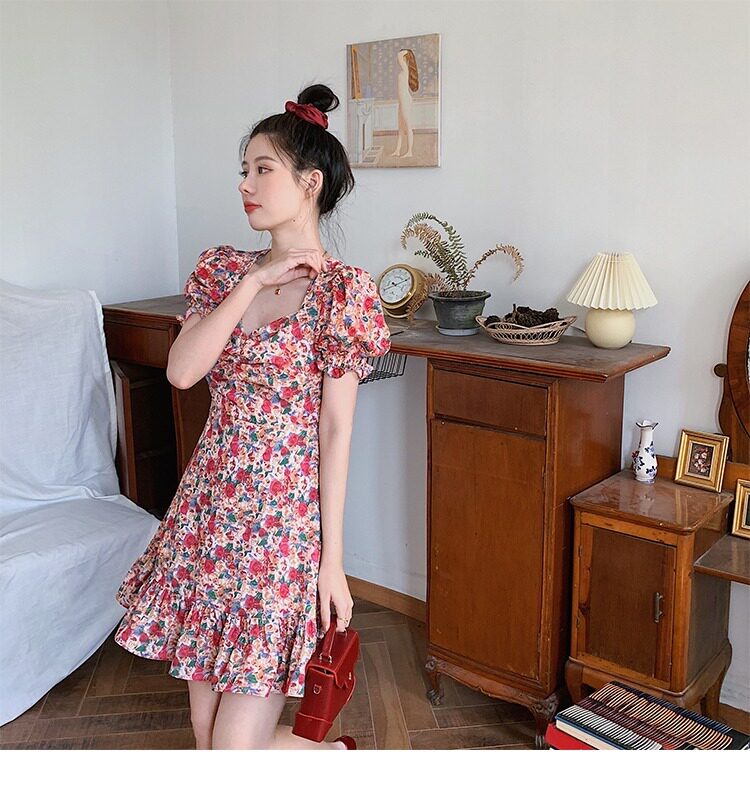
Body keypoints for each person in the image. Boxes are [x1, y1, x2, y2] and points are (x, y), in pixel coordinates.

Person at [113, 83, 392, 750]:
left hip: (281, 532)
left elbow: (336, 431)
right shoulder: (222, 271)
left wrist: (332, 561)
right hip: (207, 514)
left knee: (231, 753)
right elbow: (182, 372)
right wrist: (254, 283)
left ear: (309, 183)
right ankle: (328, 757)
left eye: (262, 169)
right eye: (244, 169)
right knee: (205, 734)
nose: (245, 184)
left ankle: (330, 757)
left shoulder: (345, 293)